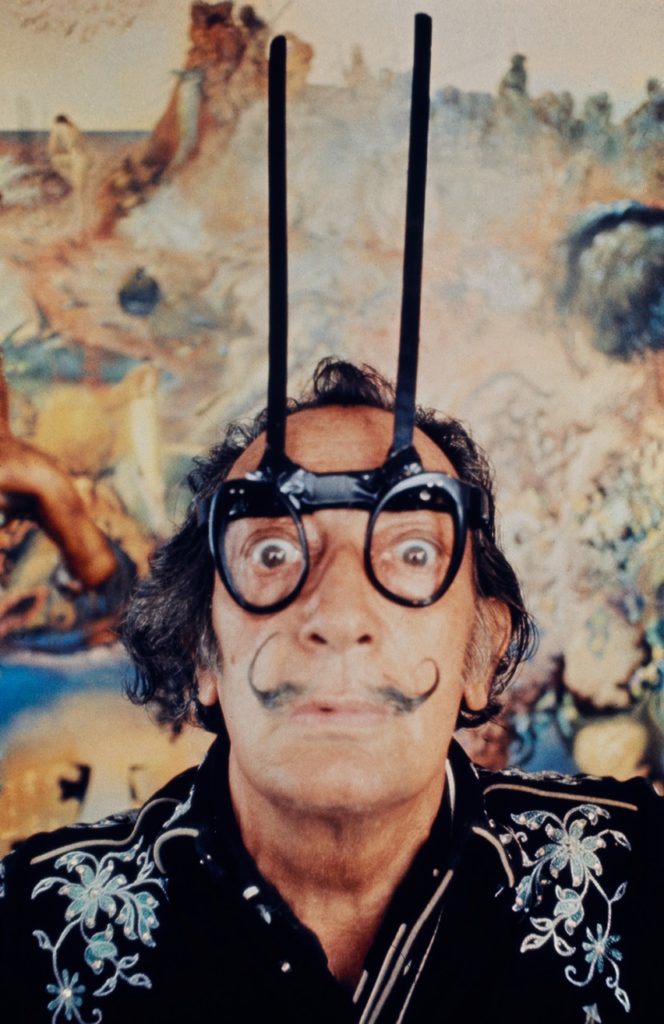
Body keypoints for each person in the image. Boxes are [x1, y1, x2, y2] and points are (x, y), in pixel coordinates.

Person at [0, 359, 662, 1024]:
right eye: (272, 554)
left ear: (482, 651)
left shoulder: (638, 874)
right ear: (202, 649)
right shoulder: (29, 930)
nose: (340, 616)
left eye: (413, 553)